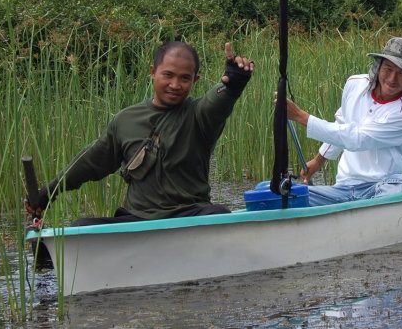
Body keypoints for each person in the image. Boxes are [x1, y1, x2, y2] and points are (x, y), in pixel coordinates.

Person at [26, 41, 254, 225]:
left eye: (185, 78)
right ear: (153, 72)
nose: (175, 84)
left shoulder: (200, 115)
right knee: (81, 227)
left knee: (218, 214)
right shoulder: (125, 120)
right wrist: (47, 193)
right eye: (168, 75)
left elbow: (219, 99)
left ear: (196, 80)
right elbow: (89, 164)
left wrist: (234, 83)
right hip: (138, 220)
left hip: (190, 215)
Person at [285, 36, 402, 206]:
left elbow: (357, 138)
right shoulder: (355, 84)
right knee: (287, 196)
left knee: (396, 187)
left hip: (384, 185)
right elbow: (342, 125)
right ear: (378, 66)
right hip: (344, 187)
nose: (392, 79)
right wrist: (318, 161)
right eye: (388, 69)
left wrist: (301, 117)